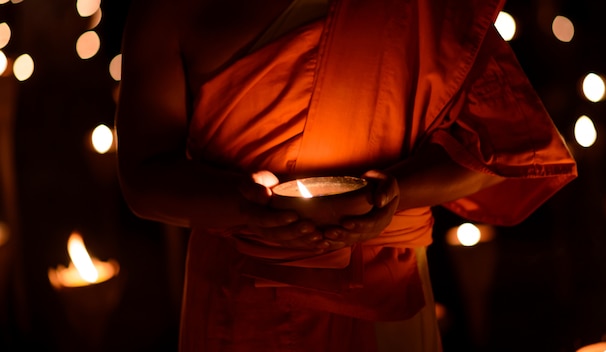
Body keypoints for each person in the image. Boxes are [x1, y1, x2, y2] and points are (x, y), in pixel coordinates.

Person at [115, 0, 577, 350]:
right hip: (241, 297)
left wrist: (393, 193)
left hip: (388, 298)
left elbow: (503, 145)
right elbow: (143, 177)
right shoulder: (174, 9)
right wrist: (244, 208)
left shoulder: (418, 6)